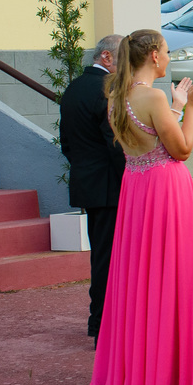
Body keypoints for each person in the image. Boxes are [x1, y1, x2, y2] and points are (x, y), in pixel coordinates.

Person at [90, 29, 193, 385]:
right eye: (166, 51)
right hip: (165, 191)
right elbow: (181, 150)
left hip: (136, 188)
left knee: (140, 281)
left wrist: (177, 106)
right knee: (172, 277)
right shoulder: (151, 96)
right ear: (152, 56)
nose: (169, 57)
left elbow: (150, 140)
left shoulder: (117, 95)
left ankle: (138, 376)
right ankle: (166, 382)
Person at [59, 34, 125, 340]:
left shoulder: (73, 88)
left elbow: (67, 144)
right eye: (122, 57)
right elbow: (114, 145)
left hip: (88, 183)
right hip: (110, 186)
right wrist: (131, 179)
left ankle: (100, 322)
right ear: (107, 58)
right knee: (107, 257)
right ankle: (101, 325)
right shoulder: (106, 89)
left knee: (101, 253)